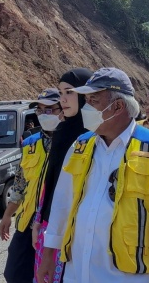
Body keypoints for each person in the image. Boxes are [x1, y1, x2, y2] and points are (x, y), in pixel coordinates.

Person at [37, 67, 149, 283]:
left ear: (118, 106)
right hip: (79, 271)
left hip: (128, 275)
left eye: (94, 101)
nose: (87, 107)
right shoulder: (81, 145)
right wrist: (48, 254)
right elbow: (62, 202)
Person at [31, 68, 93, 283]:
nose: (63, 99)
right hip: (53, 225)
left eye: (69, 92)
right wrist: (39, 219)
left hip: (82, 228)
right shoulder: (63, 131)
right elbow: (52, 180)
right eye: (60, 92)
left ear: (87, 95)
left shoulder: (95, 136)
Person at [1, 88, 62, 283]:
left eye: (50, 109)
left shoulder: (72, 143)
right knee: (14, 274)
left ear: (63, 110)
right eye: (41, 110)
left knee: (49, 277)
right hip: (27, 223)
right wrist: (7, 215)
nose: (45, 115)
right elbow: (20, 184)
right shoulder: (30, 143)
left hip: (52, 226)